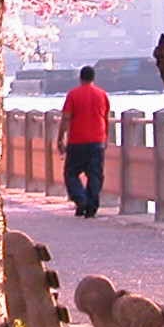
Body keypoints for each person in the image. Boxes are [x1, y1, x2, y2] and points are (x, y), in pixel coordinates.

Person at [59, 66, 113, 218]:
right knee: (95, 175)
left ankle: (81, 199)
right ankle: (91, 206)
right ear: (93, 78)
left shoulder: (73, 95)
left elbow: (66, 118)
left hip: (77, 141)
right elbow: (105, 118)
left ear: (80, 78)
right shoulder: (102, 95)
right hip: (97, 141)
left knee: (71, 174)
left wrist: (60, 138)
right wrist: (106, 138)